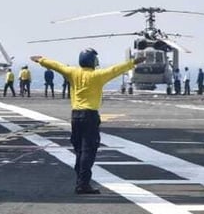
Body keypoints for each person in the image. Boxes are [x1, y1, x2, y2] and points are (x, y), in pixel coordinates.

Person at [31, 48, 143, 194]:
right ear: (92, 61)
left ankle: (80, 181)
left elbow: (57, 66)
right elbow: (115, 69)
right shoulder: (98, 75)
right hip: (90, 116)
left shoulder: (73, 72)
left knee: (79, 150)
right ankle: (83, 184)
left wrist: (41, 60)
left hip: (75, 116)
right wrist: (133, 62)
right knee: (88, 151)